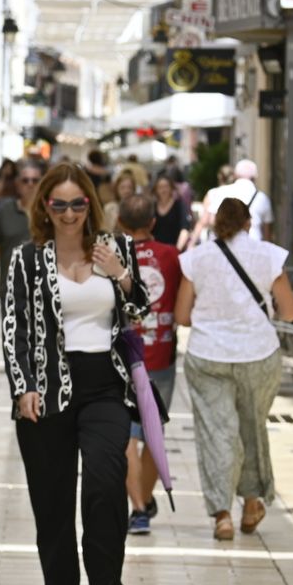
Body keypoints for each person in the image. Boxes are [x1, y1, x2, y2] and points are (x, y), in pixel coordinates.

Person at [3, 162, 147, 585]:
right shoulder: (27, 259)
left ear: (91, 203)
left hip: (105, 384)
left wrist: (121, 274)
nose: (69, 213)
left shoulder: (117, 247)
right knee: (53, 498)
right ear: (45, 206)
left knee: (107, 482)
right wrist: (22, 385)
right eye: (59, 204)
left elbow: (141, 308)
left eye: (77, 203)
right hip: (45, 390)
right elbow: (15, 328)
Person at [174, 197, 293, 541]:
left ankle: (222, 516)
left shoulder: (195, 260)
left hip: (208, 354)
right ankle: (251, 503)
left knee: (217, 433)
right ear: (248, 223)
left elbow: (182, 316)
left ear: (217, 226)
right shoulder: (269, 255)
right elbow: (290, 312)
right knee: (251, 429)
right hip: (258, 354)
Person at [114, 194, 182, 536]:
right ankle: (145, 500)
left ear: (121, 222)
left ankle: (138, 508)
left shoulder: (114, 257)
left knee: (127, 438)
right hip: (161, 355)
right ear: (153, 223)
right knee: (154, 434)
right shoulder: (171, 256)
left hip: (124, 356)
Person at [0, 159, 44, 309]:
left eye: (35, 180)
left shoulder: (51, 212)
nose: (30, 184)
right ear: (17, 184)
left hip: (43, 292)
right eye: (25, 180)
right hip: (10, 291)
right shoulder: (5, 210)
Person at [224, 159, 274, 241]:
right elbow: (267, 231)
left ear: (235, 175)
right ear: (254, 177)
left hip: (228, 243)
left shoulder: (223, 192)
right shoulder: (262, 198)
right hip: (254, 242)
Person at [191, 165, 238, 247]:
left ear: (219, 177)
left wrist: (191, 243)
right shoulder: (240, 192)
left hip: (217, 240)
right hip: (237, 238)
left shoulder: (213, 193)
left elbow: (204, 220)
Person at [150, 174, 192, 251]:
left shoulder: (179, 205)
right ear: (155, 190)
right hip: (157, 251)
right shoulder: (152, 207)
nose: (163, 190)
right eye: (160, 187)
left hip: (175, 249)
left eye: (166, 186)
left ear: (171, 188)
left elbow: (185, 229)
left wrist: (177, 250)